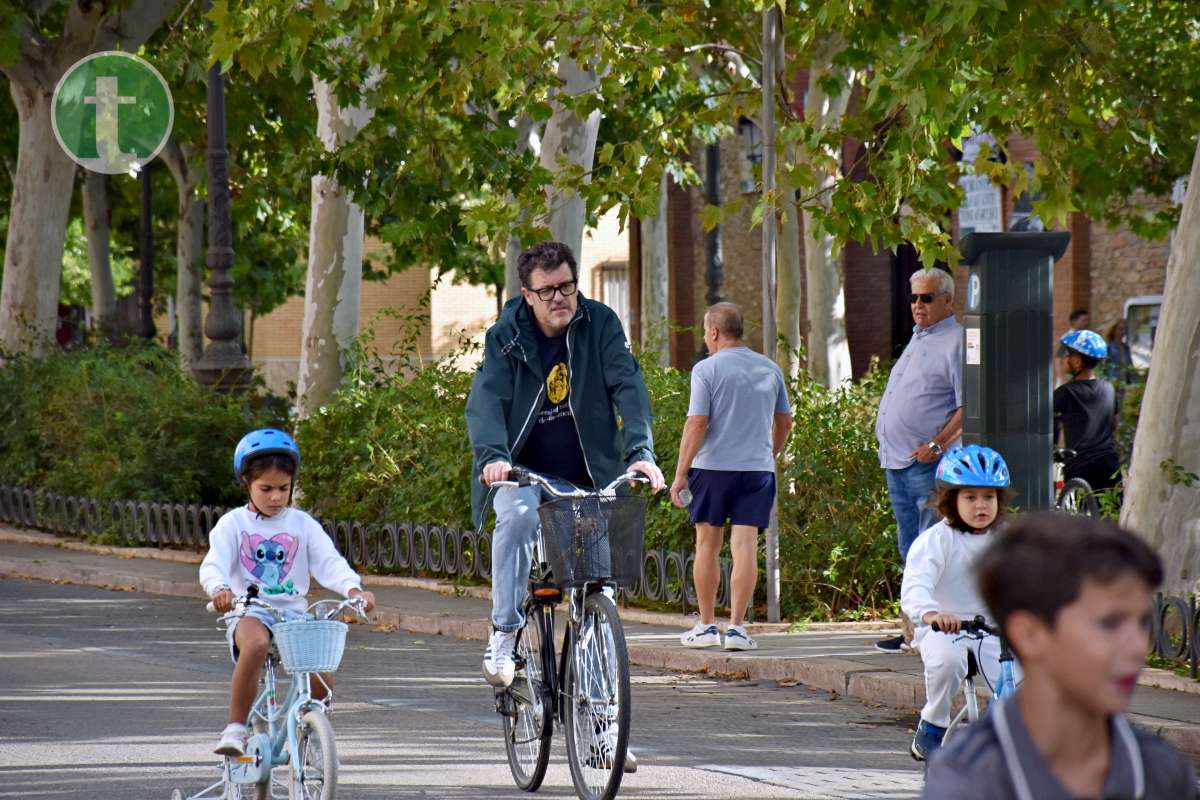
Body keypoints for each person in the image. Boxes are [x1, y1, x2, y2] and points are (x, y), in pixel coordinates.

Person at [465, 241, 665, 689]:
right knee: (515, 519)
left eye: (567, 287)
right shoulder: (507, 337)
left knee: (599, 591)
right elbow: (486, 401)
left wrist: (641, 452)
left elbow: (629, 387)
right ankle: (504, 631)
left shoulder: (600, 325)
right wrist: (494, 457)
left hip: (588, 473)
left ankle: (601, 725)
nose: (559, 298)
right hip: (523, 471)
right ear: (527, 294)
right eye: (547, 290)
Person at [923, 514, 1198, 799]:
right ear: (1029, 634)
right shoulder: (968, 776)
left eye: (1143, 622)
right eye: (1108, 623)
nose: (1137, 646)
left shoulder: (1162, 770)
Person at [199, 428, 376, 757]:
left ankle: (307, 732)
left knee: (322, 682)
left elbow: (329, 562)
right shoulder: (233, 524)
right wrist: (220, 589)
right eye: (265, 489)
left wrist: (354, 589)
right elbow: (213, 565)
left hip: (294, 616)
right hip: (250, 610)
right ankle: (236, 728)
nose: (276, 497)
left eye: (283, 488)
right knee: (255, 644)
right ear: (246, 484)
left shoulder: (301, 524)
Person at [670, 302, 792, 651]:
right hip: (757, 470)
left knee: (707, 545)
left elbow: (697, 423)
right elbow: (784, 423)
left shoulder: (706, 370)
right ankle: (737, 629)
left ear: (713, 332)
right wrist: (770, 454)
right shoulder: (770, 369)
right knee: (745, 547)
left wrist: (680, 474)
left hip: (711, 470)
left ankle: (707, 626)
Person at [901, 444, 1017, 761]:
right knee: (947, 664)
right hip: (944, 627)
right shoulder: (937, 540)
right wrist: (931, 613)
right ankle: (933, 726)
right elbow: (916, 584)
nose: (981, 505)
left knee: (1018, 674)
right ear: (951, 500)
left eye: (989, 497)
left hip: (993, 628)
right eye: (970, 497)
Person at [874, 268, 963, 653]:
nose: (917, 305)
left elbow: (968, 405)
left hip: (927, 464)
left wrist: (938, 444)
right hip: (897, 461)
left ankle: (932, 633)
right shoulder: (918, 337)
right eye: (913, 298)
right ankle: (912, 631)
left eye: (926, 298)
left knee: (930, 548)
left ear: (948, 301)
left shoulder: (956, 340)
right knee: (909, 549)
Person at [1055, 329, 1121, 492]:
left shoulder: (1065, 392)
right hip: (1109, 464)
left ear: (1077, 361)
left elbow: (1045, 422)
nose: (1064, 359)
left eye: (1067, 354)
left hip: (1080, 466)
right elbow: (1115, 425)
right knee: (1111, 514)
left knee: (1081, 516)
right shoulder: (1108, 389)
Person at [1104, 318, 1133, 385]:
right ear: (1114, 330)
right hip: (1112, 383)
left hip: (1124, 383)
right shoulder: (1108, 347)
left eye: (1125, 329)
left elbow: (1130, 367)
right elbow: (1103, 367)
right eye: (1120, 329)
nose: (1123, 332)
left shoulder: (1126, 348)